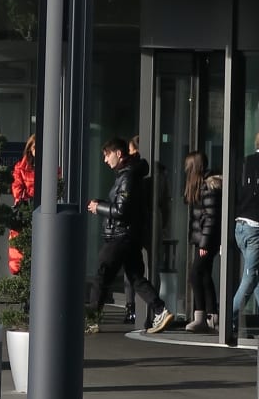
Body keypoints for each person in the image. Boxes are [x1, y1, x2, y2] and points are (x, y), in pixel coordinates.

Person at [87, 138, 174, 335]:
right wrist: (102, 203)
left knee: (102, 273)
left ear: (118, 154)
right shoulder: (128, 174)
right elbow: (122, 205)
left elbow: (121, 210)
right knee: (135, 277)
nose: (105, 160)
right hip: (129, 235)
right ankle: (160, 310)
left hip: (120, 236)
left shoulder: (127, 176)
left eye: (107, 155)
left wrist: (98, 207)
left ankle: (91, 320)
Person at [231, 127, 259, 337]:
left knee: (257, 279)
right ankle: (229, 318)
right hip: (256, 227)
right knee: (251, 277)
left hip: (240, 225)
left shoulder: (245, 162)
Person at [183, 151, 223, 332]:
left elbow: (211, 217)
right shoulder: (202, 186)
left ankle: (201, 316)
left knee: (195, 274)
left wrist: (204, 244)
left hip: (207, 240)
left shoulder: (208, 187)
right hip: (205, 239)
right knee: (204, 275)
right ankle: (211, 316)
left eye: (188, 167)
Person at [122, 134, 153, 325]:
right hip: (149, 223)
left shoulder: (129, 172)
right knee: (146, 267)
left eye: (130, 150)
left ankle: (132, 307)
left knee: (131, 269)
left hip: (134, 225)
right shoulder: (153, 173)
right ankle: (152, 309)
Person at [7, 134, 37, 275]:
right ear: (30, 149)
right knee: (19, 258)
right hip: (26, 214)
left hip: (43, 213)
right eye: (35, 147)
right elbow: (17, 191)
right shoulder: (21, 167)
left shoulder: (53, 168)